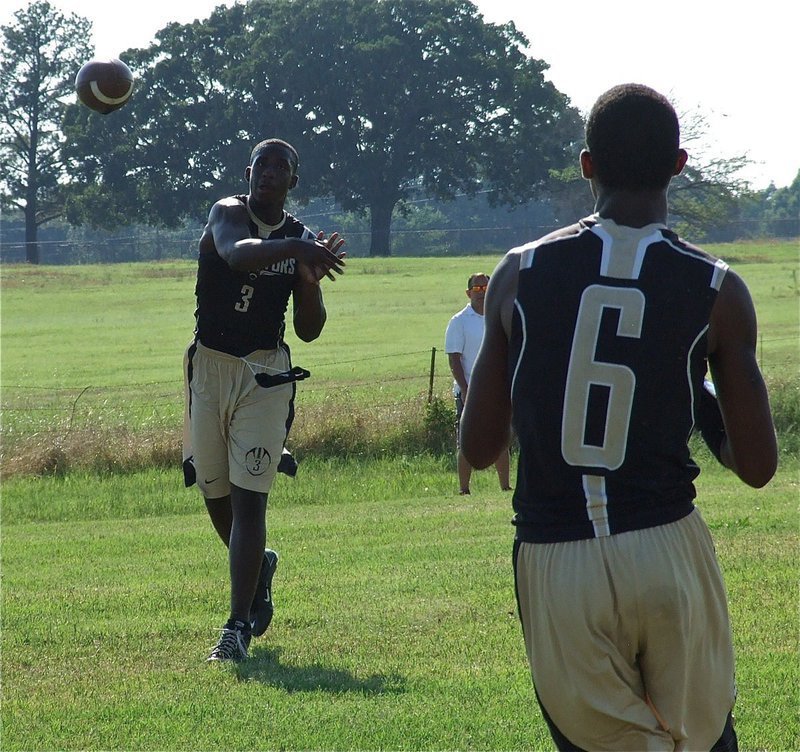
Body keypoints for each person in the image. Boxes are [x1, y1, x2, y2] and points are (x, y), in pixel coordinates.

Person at [461, 84, 777, 751]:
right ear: (680, 164)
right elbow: (756, 465)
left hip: (556, 556)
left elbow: (482, 441)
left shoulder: (518, 273)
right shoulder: (717, 289)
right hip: (666, 546)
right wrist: (692, 386)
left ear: (586, 165)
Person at [183, 137, 345, 662]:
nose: (269, 172)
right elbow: (236, 255)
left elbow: (310, 329)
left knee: (250, 498)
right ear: (248, 172)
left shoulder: (300, 238)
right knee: (216, 497)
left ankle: (235, 628)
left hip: (265, 374)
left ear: (292, 181)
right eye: (262, 165)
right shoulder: (228, 213)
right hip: (209, 369)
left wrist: (310, 282)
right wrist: (299, 250)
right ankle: (260, 569)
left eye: (281, 167)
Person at [444, 273, 511, 495]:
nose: (481, 293)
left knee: (501, 438)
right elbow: (454, 358)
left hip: (497, 390)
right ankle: (464, 489)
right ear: (468, 292)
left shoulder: (499, 317)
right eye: (477, 289)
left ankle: (505, 487)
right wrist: (464, 388)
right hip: (469, 391)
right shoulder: (459, 321)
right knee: (467, 440)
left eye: (486, 288)